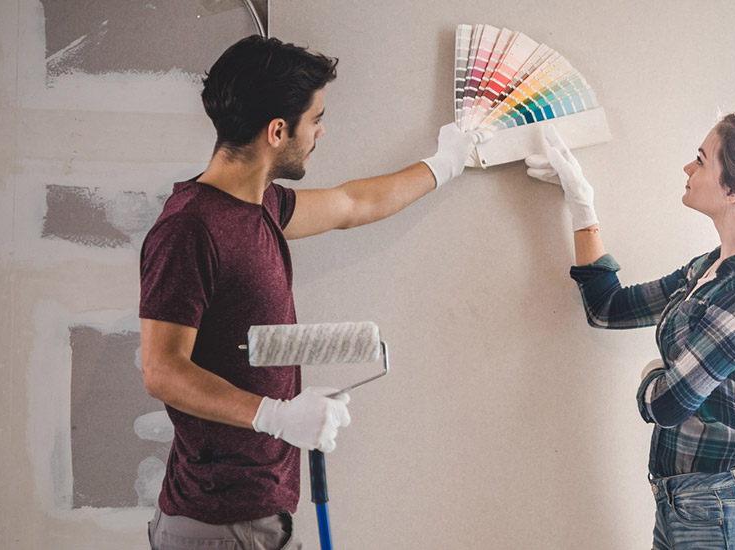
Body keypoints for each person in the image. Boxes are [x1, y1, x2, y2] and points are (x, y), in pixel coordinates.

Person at [138, 35, 487, 550]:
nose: (321, 131)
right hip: (216, 528)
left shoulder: (261, 207)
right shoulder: (190, 229)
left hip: (256, 518)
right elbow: (162, 369)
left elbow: (352, 203)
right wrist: (274, 415)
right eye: (315, 118)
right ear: (278, 131)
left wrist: (446, 163)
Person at [526, 112, 735, 550]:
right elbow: (608, 308)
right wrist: (582, 205)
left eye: (701, 160)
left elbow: (671, 402)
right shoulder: (707, 270)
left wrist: (651, 377)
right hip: (683, 504)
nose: (688, 169)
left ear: (734, 190)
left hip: (725, 507)